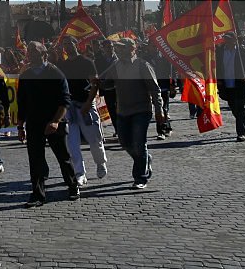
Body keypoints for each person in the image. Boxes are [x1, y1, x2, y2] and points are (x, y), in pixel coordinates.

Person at [17, 42, 80, 207]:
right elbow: (22, 102)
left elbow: (64, 101)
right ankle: (38, 194)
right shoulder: (26, 75)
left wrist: (55, 121)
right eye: (29, 52)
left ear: (44, 54)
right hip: (34, 123)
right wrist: (20, 126)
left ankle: (73, 186)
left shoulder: (55, 73)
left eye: (34, 52)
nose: (30, 55)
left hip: (54, 123)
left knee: (63, 157)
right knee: (35, 159)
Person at [98, 38, 165, 189]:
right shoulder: (115, 66)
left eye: (122, 48)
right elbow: (109, 84)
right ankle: (145, 159)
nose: (119, 51)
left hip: (141, 110)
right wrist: (98, 83)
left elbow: (155, 90)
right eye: (118, 48)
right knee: (125, 143)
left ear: (132, 49)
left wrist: (159, 110)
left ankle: (140, 177)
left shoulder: (143, 66)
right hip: (123, 110)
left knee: (139, 143)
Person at [57, 38, 107, 184]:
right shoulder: (63, 65)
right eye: (65, 45)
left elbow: (95, 84)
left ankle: (100, 163)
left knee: (94, 140)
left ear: (76, 45)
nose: (67, 47)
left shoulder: (87, 62)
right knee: (72, 144)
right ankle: (80, 172)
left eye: (69, 44)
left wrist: (88, 103)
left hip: (85, 105)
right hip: (70, 107)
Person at [216, 34, 245, 142]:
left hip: (240, 84)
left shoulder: (242, 52)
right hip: (227, 85)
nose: (227, 41)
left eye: (229, 39)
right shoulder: (220, 52)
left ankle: (241, 133)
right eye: (226, 39)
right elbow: (217, 66)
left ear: (235, 40)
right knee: (234, 109)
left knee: (240, 108)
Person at [94, 38, 119, 136]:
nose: (110, 49)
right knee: (110, 110)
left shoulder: (118, 59)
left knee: (119, 109)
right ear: (103, 48)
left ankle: (120, 128)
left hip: (118, 88)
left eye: (112, 47)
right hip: (106, 88)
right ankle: (117, 128)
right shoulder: (98, 61)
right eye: (108, 47)